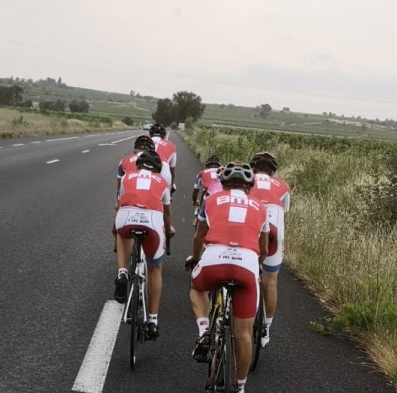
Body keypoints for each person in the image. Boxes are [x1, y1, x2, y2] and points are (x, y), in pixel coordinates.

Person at [185, 162, 268, 393]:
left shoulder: (211, 200)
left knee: (197, 287)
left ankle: (204, 332)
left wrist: (195, 258)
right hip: (247, 264)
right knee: (243, 335)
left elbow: (199, 234)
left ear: (222, 184)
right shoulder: (260, 207)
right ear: (249, 187)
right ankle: (240, 387)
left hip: (214, 258)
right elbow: (263, 246)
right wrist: (257, 265)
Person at [114, 151, 175, 339]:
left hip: (127, 216)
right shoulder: (162, 182)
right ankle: (153, 321)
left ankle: (122, 272)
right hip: (152, 220)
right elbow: (166, 213)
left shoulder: (127, 177)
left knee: (122, 235)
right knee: (155, 268)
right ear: (158, 169)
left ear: (138, 166)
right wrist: (169, 229)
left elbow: (119, 204)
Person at [247, 152, 292, 347]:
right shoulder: (283, 186)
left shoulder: (245, 180)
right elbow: (285, 213)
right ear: (273, 172)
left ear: (253, 168)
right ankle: (265, 327)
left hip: (253, 224)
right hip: (275, 227)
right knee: (271, 281)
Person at [191, 155, 223, 227]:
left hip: (208, 194)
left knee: (200, 222)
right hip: (223, 194)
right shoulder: (224, 171)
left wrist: (194, 201)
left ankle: (198, 220)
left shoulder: (201, 173)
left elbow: (195, 191)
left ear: (207, 165)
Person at [148, 124, 177, 193]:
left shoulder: (143, 142)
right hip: (164, 169)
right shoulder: (171, 145)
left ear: (150, 134)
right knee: (165, 198)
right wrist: (171, 185)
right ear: (164, 135)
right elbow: (172, 170)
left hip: (144, 169)